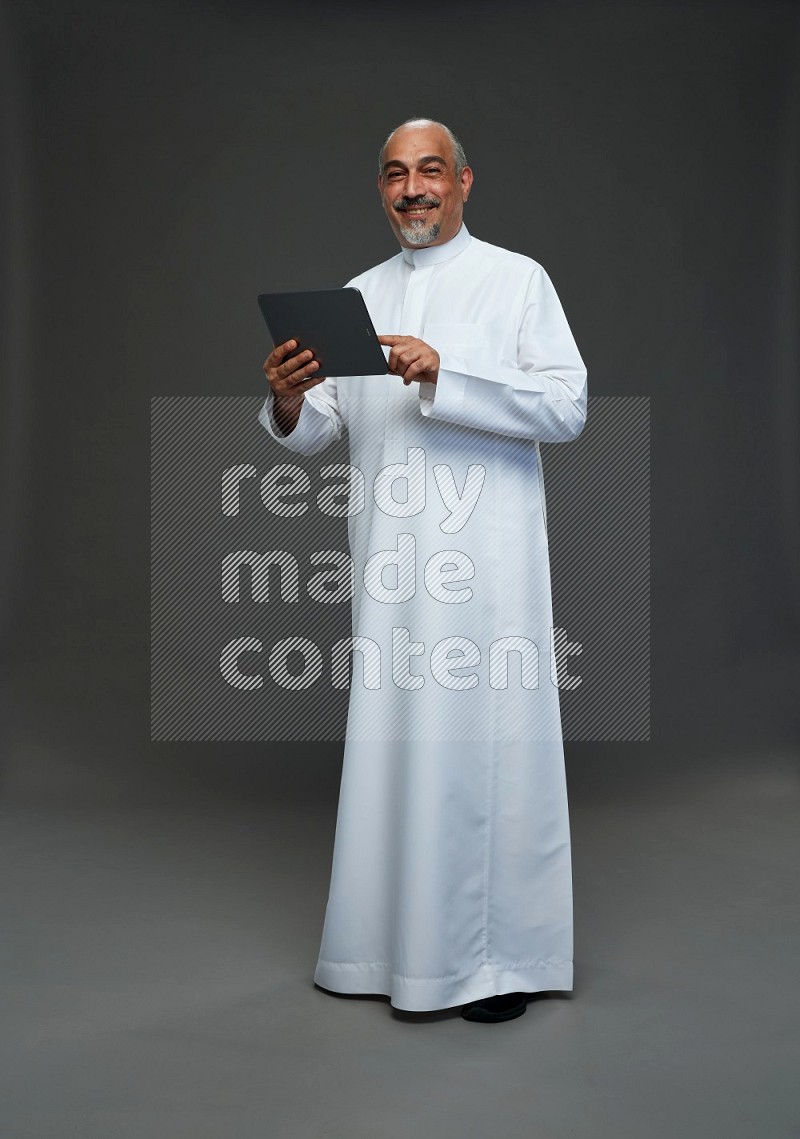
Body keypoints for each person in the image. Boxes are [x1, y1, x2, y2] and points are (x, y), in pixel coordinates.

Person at [259, 118, 587, 1023]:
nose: (414, 189)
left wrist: (451, 374)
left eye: (431, 172)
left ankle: (493, 963)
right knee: (397, 757)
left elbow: (568, 406)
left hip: (489, 578)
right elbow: (322, 430)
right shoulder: (355, 298)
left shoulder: (516, 280)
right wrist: (289, 399)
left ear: (465, 182)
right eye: (397, 175)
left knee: (486, 760)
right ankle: (384, 953)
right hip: (394, 576)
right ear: (381, 190)